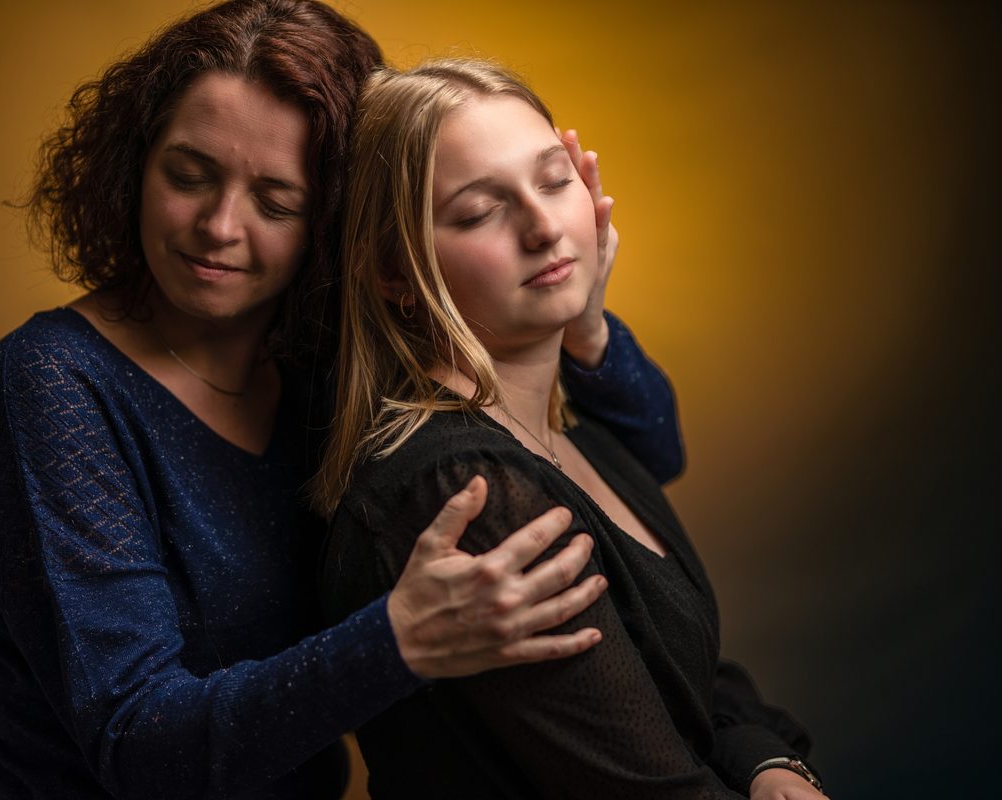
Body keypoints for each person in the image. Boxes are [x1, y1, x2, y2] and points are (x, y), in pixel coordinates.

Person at [0, 2, 684, 798]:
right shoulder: (50, 385)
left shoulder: (329, 363)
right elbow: (136, 744)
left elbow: (647, 459)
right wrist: (398, 639)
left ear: (335, 221)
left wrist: (588, 328)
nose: (219, 227)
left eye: (276, 202)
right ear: (135, 164)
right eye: (188, 176)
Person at [318, 59, 823, 800]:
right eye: (480, 210)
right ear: (396, 271)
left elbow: (683, 674)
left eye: (555, 181)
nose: (543, 225)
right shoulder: (465, 491)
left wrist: (765, 759)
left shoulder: (576, 440)